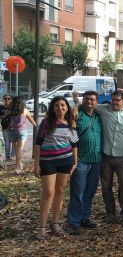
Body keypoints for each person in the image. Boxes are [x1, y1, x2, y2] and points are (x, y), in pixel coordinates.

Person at [92, 90, 123, 224]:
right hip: (106, 156)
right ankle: (110, 212)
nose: (114, 102)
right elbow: (88, 104)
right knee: (106, 185)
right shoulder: (103, 110)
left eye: (117, 100)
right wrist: (76, 106)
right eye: (112, 99)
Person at [33, 96, 79, 239]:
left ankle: (55, 223)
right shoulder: (46, 123)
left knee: (60, 192)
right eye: (57, 105)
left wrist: (75, 161)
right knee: (48, 193)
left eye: (63, 105)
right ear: (53, 108)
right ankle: (41, 227)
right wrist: (36, 165)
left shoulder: (70, 123)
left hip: (65, 161)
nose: (60, 108)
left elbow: (74, 143)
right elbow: (38, 143)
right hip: (48, 162)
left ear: (67, 107)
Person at [67, 91, 102, 236]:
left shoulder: (99, 116)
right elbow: (72, 136)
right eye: (86, 99)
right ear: (83, 100)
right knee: (78, 192)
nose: (89, 102)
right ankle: (74, 222)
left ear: (96, 102)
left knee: (90, 192)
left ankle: (85, 217)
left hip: (96, 160)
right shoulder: (77, 115)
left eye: (92, 99)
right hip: (80, 160)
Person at [6, 96, 37, 174]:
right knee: (19, 150)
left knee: (16, 149)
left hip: (11, 132)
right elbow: (32, 122)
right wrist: (37, 126)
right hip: (21, 132)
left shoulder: (10, 111)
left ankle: (20, 164)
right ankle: (17, 168)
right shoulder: (25, 111)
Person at [1, 94, 15, 163]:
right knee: (7, 143)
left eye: (8, 98)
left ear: (11, 99)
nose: (7, 100)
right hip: (5, 127)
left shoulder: (13, 107)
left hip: (14, 128)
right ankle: (7, 157)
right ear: (3, 99)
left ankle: (13, 156)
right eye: (5, 98)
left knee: (14, 142)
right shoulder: (1, 107)